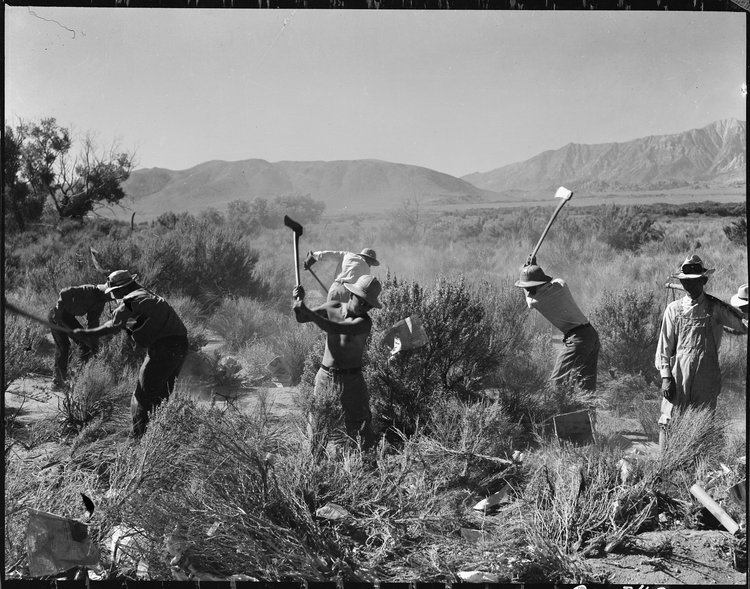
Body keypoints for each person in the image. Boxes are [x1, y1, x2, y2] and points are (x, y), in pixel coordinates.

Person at [73, 270, 189, 438]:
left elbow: (113, 325)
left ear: (121, 288)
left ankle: (139, 439)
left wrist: (88, 334)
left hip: (163, 348)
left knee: (142, 395)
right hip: (180, 345)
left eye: (113, 293)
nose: (113, 297)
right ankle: (159, 435)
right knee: (161, 394)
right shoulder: (145, 294)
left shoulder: (130, 300)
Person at [655, 255, 747, 443]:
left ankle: (700, 467)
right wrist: (666, 377)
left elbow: (742, 325)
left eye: (695, 281)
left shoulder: (716, 308)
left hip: (707, 374)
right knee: (668, 420)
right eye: (685, 281)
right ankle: (665, 465)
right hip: (678, 374)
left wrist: (744, 306)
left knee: (703, 423)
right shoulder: (673, 310)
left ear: (703, 281)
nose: (690, 285)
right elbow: (664, 346)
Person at [292, 274, 382, 452]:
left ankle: (366, 465)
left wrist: (306, 309)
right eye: (362, 301)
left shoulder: (363, 322)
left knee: (360, 424)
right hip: (325, 377)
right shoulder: (333, 307)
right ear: (352, 295)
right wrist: (297, 303)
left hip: (352, 381)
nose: (364, 307)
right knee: (317, 421)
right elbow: (302, 318)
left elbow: (335, 328)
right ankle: (314, 464)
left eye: (368, 305)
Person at [514, 256, 600, 392]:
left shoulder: (536, 300)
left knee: (557, 381)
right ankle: (589, 412)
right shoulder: (561, 285)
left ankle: (561, 409)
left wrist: (526, 270)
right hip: (591, 334)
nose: (528, 289)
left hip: (578, 339)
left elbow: (528, 296)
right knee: (586, 385)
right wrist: (533, 269)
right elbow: (554, 280)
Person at [49, 283, 112, 387]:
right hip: (56, 315)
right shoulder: (89, 290)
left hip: (68, 317)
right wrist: (58, 313)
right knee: (63, 345)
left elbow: (93, 321)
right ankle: (58, 380)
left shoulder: (100, 303)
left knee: (86, 345)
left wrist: (93, 339)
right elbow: (64, 292)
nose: (110, 298)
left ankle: (78, 378)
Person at [303, 248, 379, 303]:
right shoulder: (367, 271)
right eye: (372, 262)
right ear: (370, 259)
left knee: (330, 318)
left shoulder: (348, 255)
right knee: (341, 322)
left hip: (335, 288)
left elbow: (330, 254)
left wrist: (314, 256)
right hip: (349, 294)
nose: (371, 265)